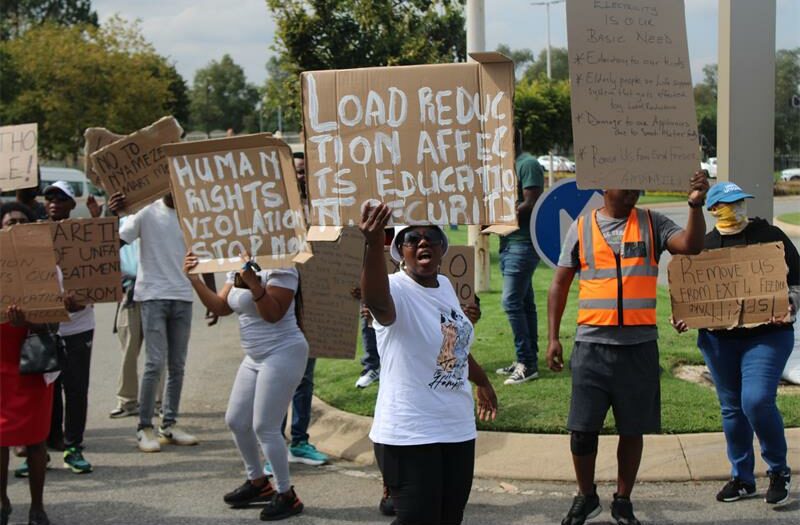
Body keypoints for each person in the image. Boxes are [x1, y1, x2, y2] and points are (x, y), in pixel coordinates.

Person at [547, 172, 709, 525]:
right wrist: (553, 337)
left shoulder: (653, 222)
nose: (634, 187)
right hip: (591, 346)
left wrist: (695, 204)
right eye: (625, 181)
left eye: (637, 182)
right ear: (604, 187)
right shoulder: (582, 226)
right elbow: (559, 283)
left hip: (639, 346)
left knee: (632, 428)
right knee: (582, 429)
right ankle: (585, 495)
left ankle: (623, 499)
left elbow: (692, 245)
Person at [360, 204, 498, 525]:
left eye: (431, 237)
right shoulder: (395, 288)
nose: (423, 243)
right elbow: (379, 303)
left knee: (449, 519)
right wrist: (371, 243)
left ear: (441, 249)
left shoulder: (446, 287)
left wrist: (482, 381)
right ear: (400, 251)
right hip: (409, 433)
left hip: (456, 427)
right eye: (412, 239)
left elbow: (452, 348)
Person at [671, 182, 798, 506]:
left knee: (755, 400)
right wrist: (684, 316)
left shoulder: (769, 237)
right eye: (729, 203)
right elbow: (686, 294)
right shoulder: (702, 245)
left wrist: (791, 303)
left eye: (740, 202)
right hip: (718, 340)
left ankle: (778, 470)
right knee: (731, 408)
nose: (737, 208)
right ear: (713, 210)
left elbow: (797, 281)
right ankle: (742, 478)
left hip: (767, 336)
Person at [184, 252, 307, 521]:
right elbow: (221, 307)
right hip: (254, 356)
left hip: (284, 351)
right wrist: (194, 280)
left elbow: (273, 314)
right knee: (237, 421)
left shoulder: (283, 263)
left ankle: (287, 495)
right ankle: (258, 483)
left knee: (265, 426)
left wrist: (254, 285)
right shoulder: (239, 262)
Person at [108, 192, 199, 452]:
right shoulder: (145, 211)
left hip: (182, 296)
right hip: (152, 296)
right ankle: (144, 426)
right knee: (154, 363)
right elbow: (116, 241)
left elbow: (200, 256)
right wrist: (113, 214)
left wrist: (210, 294)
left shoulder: (191, 213)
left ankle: (168, 424)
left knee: (177, 365)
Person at [0, 203, 56, 525]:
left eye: (22, 222)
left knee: (35, 438)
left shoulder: (45, 264)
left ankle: (37, 507)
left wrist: (31, 322)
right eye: (9, 222)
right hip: (1, 362)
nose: (15, 227)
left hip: (32, 363)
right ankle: (2, 500)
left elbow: (54, 319)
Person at [42, 181, 94, 474]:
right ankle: (46, 447)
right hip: (45, 328)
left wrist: (83, 300)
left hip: (79, 327)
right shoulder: (32, 236)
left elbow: (100, 275)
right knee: (48, 388)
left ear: (72, 204)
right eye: (49, 197)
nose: (54, 202)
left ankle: (74, 446)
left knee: (76, 389)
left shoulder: (87, 236)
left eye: (60, 198)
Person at [496, 132, 545, 385]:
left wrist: (503, 213)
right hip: (508, 243)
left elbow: (532, 201)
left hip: (523, 244)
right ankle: (526, 358)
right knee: (525, 304)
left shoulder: (527, 164)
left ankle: (527, 362)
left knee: (511, 302)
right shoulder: (508, 167)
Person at [108, 217, 164, 419]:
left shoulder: (156, 214)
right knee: (128, 351)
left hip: (156, 291)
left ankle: (158, 402)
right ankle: (127, 400)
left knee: (156, 351)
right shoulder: (120, 220)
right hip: (129, 293)